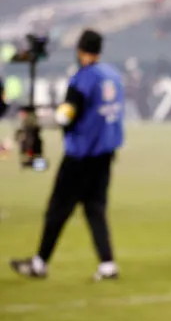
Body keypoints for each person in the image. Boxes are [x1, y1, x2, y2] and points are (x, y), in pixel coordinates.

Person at [10, 29, 124, 280]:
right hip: (105, 154)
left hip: (81, 156)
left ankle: (40, 263)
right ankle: (107, 265)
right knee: (95, 209)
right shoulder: (113, 76)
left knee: (57, 210)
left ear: (81, 50)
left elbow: (65, 116)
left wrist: (38, 119)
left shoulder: (82, 79)